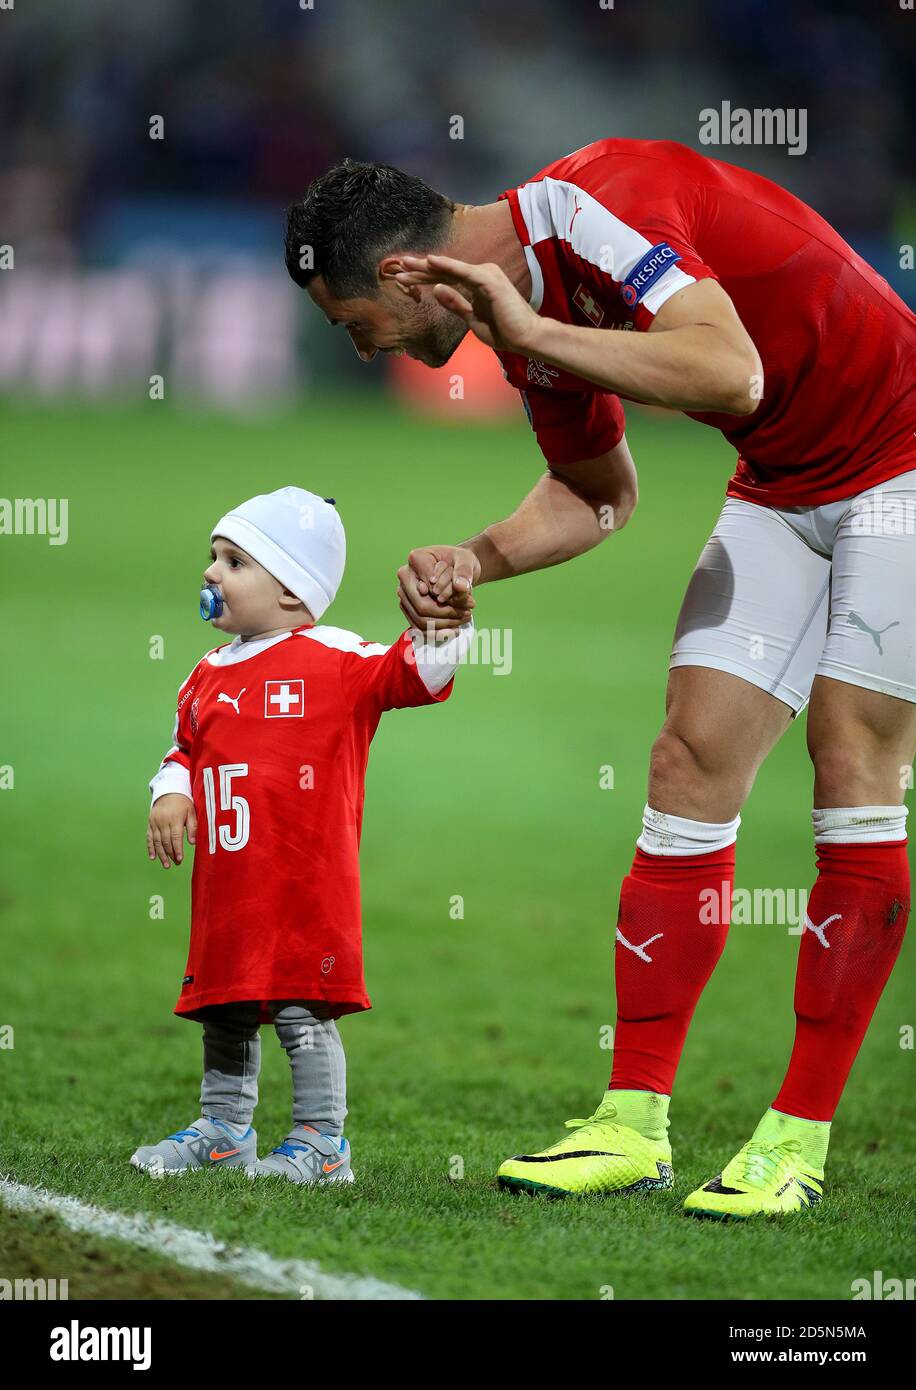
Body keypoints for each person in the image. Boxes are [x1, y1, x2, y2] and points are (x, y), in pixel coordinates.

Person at [285, 140, 915, 1217]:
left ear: (402, 275)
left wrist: (530, 332)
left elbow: (732, 371)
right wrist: (471, 558)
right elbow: (596, 493)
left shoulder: (591, 209)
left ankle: (795, 1137)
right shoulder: (522, 326)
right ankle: (632, 1122)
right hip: (781, 483)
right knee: (687, 764)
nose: (363, 352)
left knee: (849, 760)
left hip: (902, 461)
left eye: (357, 326)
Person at [138, 486, 473, 1182]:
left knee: (300, 1010)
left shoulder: (333, 659)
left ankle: (322, 1142)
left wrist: (441, 628)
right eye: (213, 556)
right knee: (224, 1007)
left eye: (234, 561)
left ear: (292, 591)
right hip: (228, 886)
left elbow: (410, 675)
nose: (210, 573)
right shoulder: (205, 674)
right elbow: (183, 749)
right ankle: (224, 1128)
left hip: (302, 885)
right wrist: (170, 794)